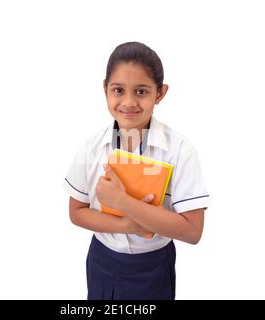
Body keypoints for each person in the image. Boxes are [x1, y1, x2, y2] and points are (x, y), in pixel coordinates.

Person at [63, 41, 210, 300]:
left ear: (160, 93)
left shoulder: (180, 150)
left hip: (154, 266)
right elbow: (76, 212)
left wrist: (122, 201)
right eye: (118, 90)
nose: (128, 102)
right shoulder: (92, 147)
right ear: (105, 89)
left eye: (141, 91)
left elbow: (192, 231)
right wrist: (129, 225)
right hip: (102, 261)